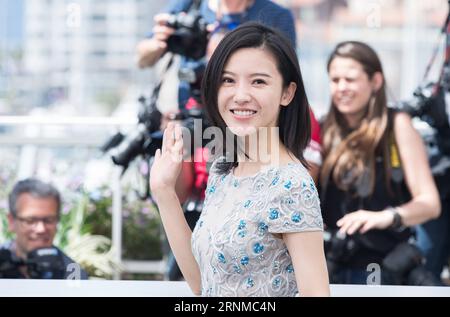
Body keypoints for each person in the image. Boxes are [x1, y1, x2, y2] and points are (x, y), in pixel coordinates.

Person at [150, 22, 329, 296]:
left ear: (287, 93)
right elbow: (203, 283)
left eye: (258, 81)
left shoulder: (292, 186)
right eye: (228, 80)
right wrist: (164, 193)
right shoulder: (223, 170)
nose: (241, 95)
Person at [320, 41, 441, 284]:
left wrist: (386, 216)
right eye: (335, 80)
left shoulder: (398, 126)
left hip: (382, 270)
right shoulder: (322, 129)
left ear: (375, 81)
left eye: (350, 79)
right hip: (331, 268)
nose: (341, 88)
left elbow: (430, 204)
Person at [137, 0, 297, 108]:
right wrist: (160, 42)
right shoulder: (192, 4)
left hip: (246, 115)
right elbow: (142, 59)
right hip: (192, 115)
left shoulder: (276, 15)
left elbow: (285, 74)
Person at [1, 178, 88, 279]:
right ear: (11, 221)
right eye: (30, 220)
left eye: (49, 220)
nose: (41, 229)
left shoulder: (73, 274)